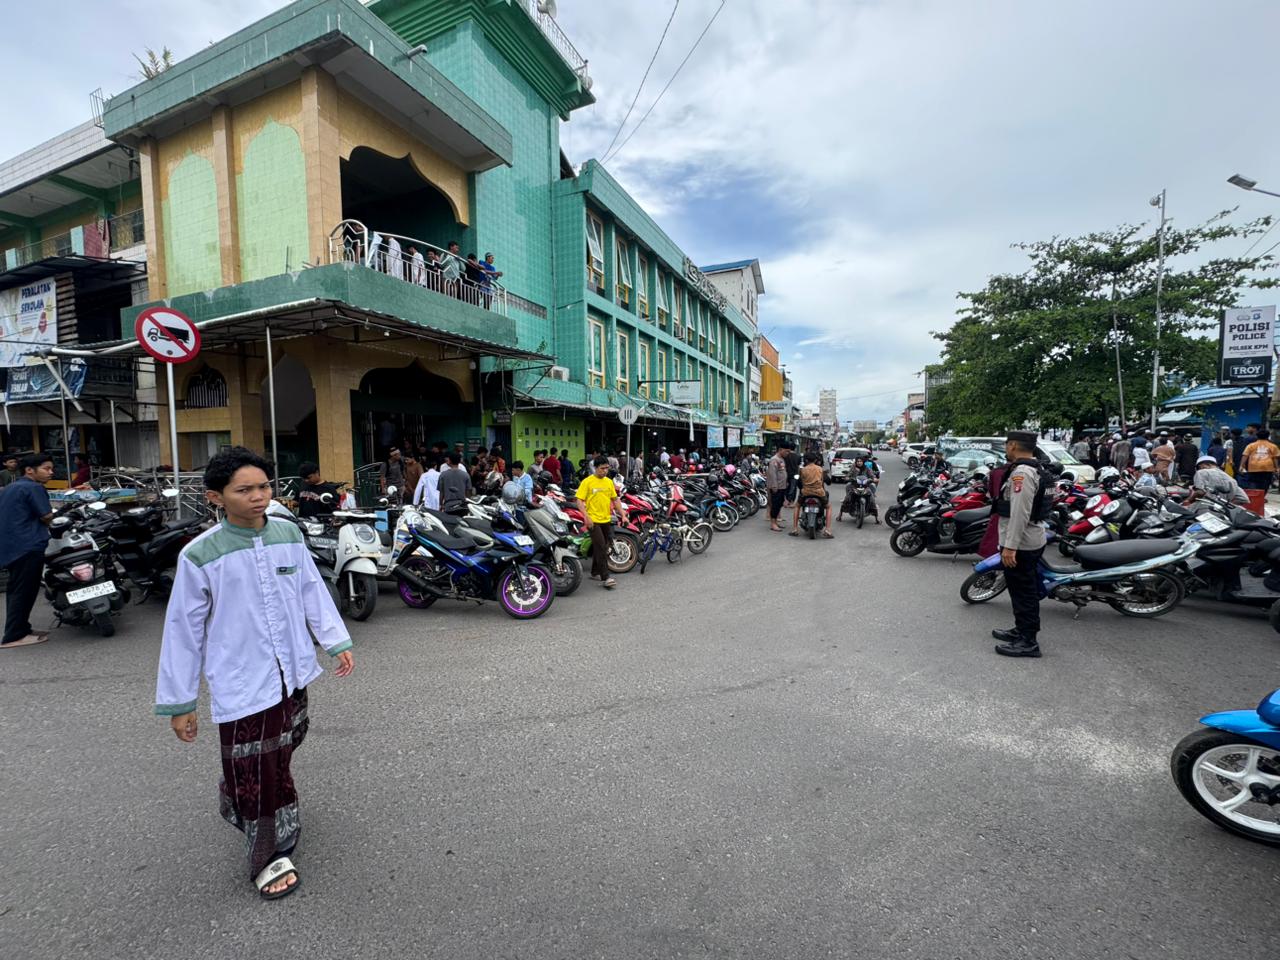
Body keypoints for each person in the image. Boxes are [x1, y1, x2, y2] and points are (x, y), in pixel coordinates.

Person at [154, 447, 353, 901]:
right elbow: (183, 631)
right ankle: (265, 855)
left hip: (291, 671)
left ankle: (245, 794)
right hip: (242, 679)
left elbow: (311, 589)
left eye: (264, 486)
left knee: (279, 752)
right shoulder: (199, 555)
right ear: (216, 497)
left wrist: (335, 640)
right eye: (244, 490)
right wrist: (181, 703)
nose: (258, 496)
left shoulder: (287, 533)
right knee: (257, 767)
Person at [992, 431, 1048, 658]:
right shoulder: (1036, 467)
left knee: (1024, 592)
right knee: (1020, 590)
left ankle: (1028, 641)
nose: (1006, 448)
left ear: (1013, 445)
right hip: (1030, 539)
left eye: (1007, 445)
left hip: (1022, 544)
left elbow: (1020, 513)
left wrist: (1010, 546)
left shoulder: (1022, 473)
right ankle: (1021, 629)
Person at [0, 453, 55, 648]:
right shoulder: (33, 487)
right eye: (46, 468)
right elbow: (46, 515)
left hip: (11, 546)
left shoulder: (12, 487)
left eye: (51, 468)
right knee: (24, 591)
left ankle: (22, 629)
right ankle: (14, 636)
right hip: (27, 545)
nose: (51, 472)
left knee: (17, 590)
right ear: (30, 470)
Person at [575, 456, 625, 588]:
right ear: (596, 468)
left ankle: (594, 571)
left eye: (607, 468)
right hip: (593, 520)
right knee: (601, 546)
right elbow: (579, 500)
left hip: (606, 519)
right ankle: (606, 577)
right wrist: (586, 516)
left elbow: (615, 499)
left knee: (603, 546)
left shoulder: (608, 482)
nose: (605, 471)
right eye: (602, 468)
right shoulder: (587, 482)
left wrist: (623, 515)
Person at [790, 453, 833, 538]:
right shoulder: (820, 469)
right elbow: (823, 480)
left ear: (806, 460)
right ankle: (828, 529)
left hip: (806, 492)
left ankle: (795, 529)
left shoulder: (803, 470)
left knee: (797, 506)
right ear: (816, 460)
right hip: (819, 492)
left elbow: (801, 481)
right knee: (828, 507)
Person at [1238, 428, 1280, 516]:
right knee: (1266, 483)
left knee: (1253, 483)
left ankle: (1254, 498)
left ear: (1257, 436)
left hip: (1253, 467)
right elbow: (1275, 458)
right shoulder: (1272, 446)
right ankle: (1261, 498)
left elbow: (1245, 456)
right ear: (1268, 436)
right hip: (1267, 467)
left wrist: (1241, 466)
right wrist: (1277, 468)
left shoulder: (1251, 445)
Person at [1184, 454, 1249, 506]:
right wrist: (1225, 506)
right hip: (1222, 513)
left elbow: (1200, 492)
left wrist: (1188, 501)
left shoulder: (1202, 472)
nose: (1199, 469)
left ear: (1206, 465)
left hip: (1204, 509)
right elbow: (1244, 499)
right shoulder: (1230, 478)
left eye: (1200, 467)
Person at [765, 445, 789, 532]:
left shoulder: (781, 459)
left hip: (782, 486)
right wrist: (774, 486)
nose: (787, 453)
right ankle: (773, 524)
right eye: (786, 451)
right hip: (776, 487)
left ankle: (775, 522)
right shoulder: (774, 460)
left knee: (779, 505)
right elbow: (772, 474)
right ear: (780, 449)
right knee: (775, 505)